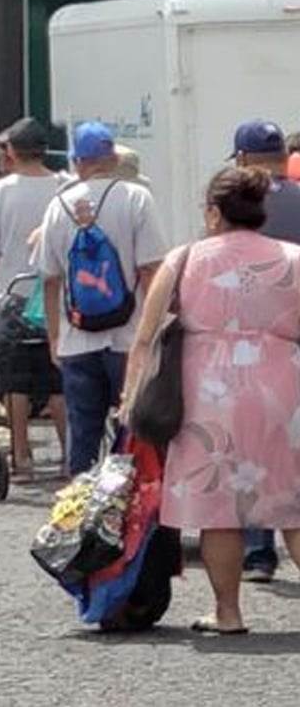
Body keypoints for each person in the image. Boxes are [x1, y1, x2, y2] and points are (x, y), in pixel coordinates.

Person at [123, 167, 300, 635]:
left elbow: (145, 337)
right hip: (285, 391)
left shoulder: (184, 259)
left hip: (209, 395)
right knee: (293, 505)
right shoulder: (293, 258)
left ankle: (228, 612)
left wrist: (130, 396)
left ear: (214, 213)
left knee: (220, 511)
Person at [34, 122, 166, 476]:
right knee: (135, 430)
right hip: (129, 338)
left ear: (78, 161)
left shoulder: (58, 205)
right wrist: (155, 330)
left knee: (82, 434)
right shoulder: (137, 198)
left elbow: (50, 278)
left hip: (77, 339)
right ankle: (134, 502)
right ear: (113, 158)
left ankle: (79, 501)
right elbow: (151, 269)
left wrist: (54, 337)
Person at [227, 121, 300, 582]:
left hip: (253, 342)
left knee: (253, 444)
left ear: (241, 158)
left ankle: (258, 552)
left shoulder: (240, 206)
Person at [0, 118, 66, 479]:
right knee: (57, 379)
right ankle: (70, 453)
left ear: (11, 151)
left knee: (14, 380)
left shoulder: (2, 190)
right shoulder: (64, 186)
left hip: (13, 294)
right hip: (54, 294)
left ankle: (21, 455)